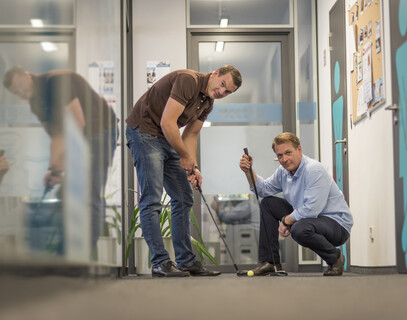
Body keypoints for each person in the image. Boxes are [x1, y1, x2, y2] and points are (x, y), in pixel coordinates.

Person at [126, 65, 242, 277]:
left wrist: (193, 166)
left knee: (183, 196)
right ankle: (160, 262)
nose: (221, 92)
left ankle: (186, 261)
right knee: (152, 198)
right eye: (222, 84)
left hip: (164, 136)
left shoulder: (207, 102)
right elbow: (168, 122)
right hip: (143, 130)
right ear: (215, 73)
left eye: (227, 92)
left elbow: (190, 135)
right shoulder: (188, 80)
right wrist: (185, 156)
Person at [3, 66, 118, 253]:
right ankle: (64, 253)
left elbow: (77, 125)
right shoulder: (35, 104)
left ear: (27, 75)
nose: (23, 94)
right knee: (66, 194)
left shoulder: (55, 83)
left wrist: (63, 165)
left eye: (22, 87)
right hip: (81, 136)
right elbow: (56, 136)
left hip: (101, 131)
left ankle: (81, 258)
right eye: (18, 93)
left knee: (91, 193)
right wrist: (54, 169)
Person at [239, 132, 353, 276]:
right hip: (310, 219)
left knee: (299, 229)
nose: (284, 159)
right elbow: (263, 190)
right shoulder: (283, 172)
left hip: (336, 224)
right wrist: (248, 172)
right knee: (268, 204)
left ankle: (335, 258)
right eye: (280, 155)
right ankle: (269, 262)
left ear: (299, 149)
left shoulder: (313, 170)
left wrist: (286, 220)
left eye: (288, 153)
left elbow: (312, 209)